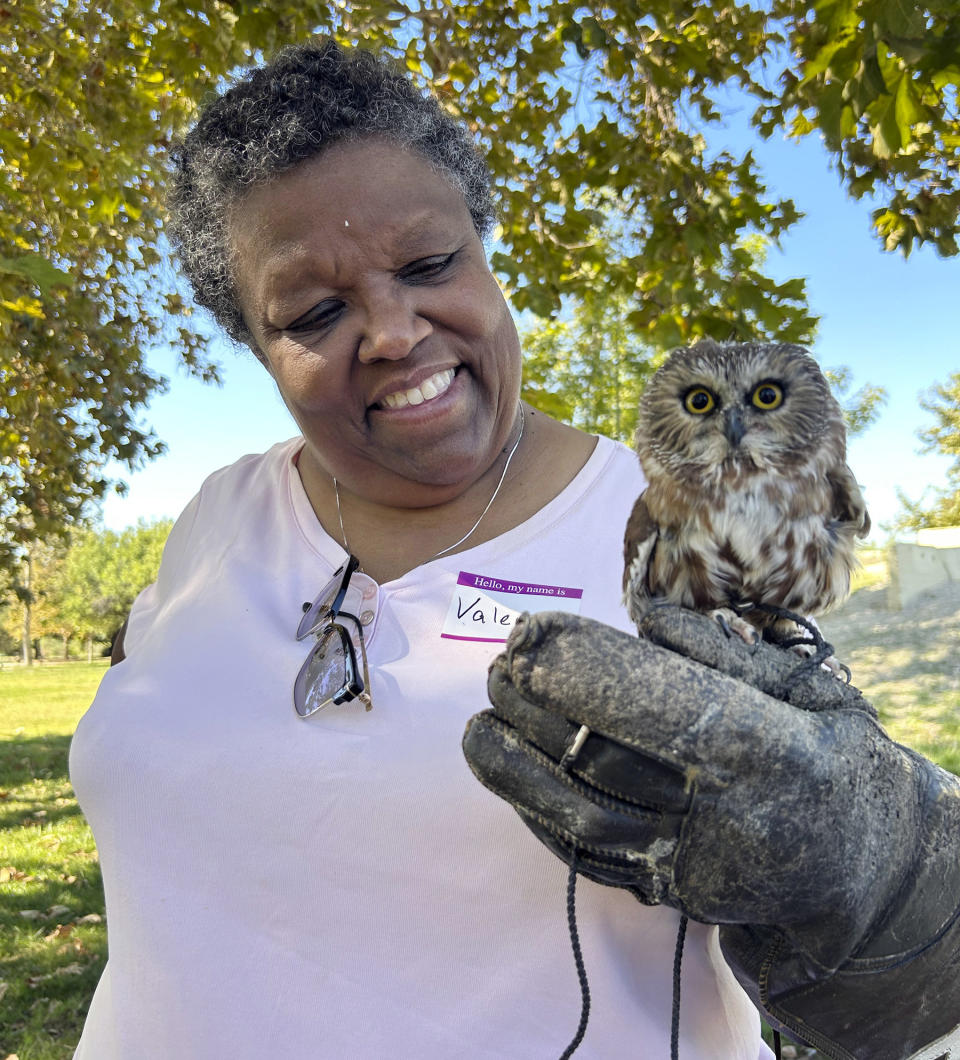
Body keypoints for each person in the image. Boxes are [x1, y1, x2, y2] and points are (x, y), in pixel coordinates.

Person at [68, 38, 958, 1060]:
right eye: (314, 311)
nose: (394, 331)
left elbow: (905, 970)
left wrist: (877, 873)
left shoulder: (674, 526)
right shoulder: (219, 512)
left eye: (429, 262)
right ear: (259, 349)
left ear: (486, 254)